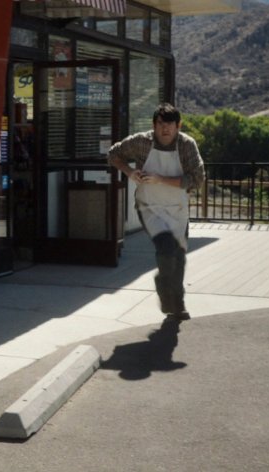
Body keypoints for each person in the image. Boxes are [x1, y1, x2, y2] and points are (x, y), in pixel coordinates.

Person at [108, 103, 205, 321]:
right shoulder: (141, 142)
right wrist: (129, 171)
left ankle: (177, 305)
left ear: (178, 125)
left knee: (179, 257)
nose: (165, 128)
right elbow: (113, 154)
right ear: (154, 125)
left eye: (170, 124)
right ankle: (163, 283)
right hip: (149, 206)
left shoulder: (187, 145)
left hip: (177, 209)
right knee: (166, 246)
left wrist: (161, 179)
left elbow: (198, 178)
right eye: (161, 123)